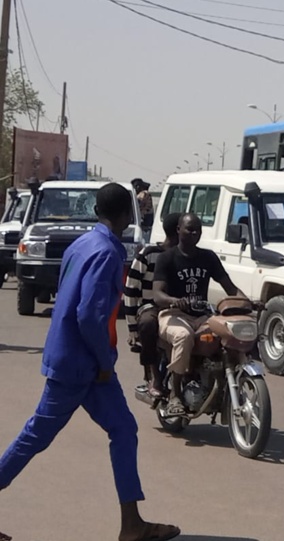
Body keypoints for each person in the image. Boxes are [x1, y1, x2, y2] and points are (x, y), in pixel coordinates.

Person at [0, 183, 179, 541]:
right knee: (35, 437)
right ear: (128, 215)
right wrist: (103, 361)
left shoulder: (82, 244)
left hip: (77, 361)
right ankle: (132, 523)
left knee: (123, 429)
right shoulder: (107, 254)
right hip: (82, 366)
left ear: (98, 211)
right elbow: (88, 316)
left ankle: (132, 524)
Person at [153, 213, 247, 416]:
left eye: (198, 230)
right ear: (178, 230)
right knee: (183, 336)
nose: (195, 233)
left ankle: (218, 382)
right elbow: (158, 294)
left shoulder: (208, 257)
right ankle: (175, 395)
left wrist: (247, 303)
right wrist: (174, 300)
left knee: (227, 335)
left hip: (203, 316)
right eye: (190, 229)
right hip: (173, 314)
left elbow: (230, 287)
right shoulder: (166, 258)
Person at [124, 212, 182, 398]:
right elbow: (131, 290)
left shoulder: (188, 255)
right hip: (151, 307)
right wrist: (133, 329)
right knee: (148, 324)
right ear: (177, 232)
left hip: (180, 308)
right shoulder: (148, 254)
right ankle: (153, 376)